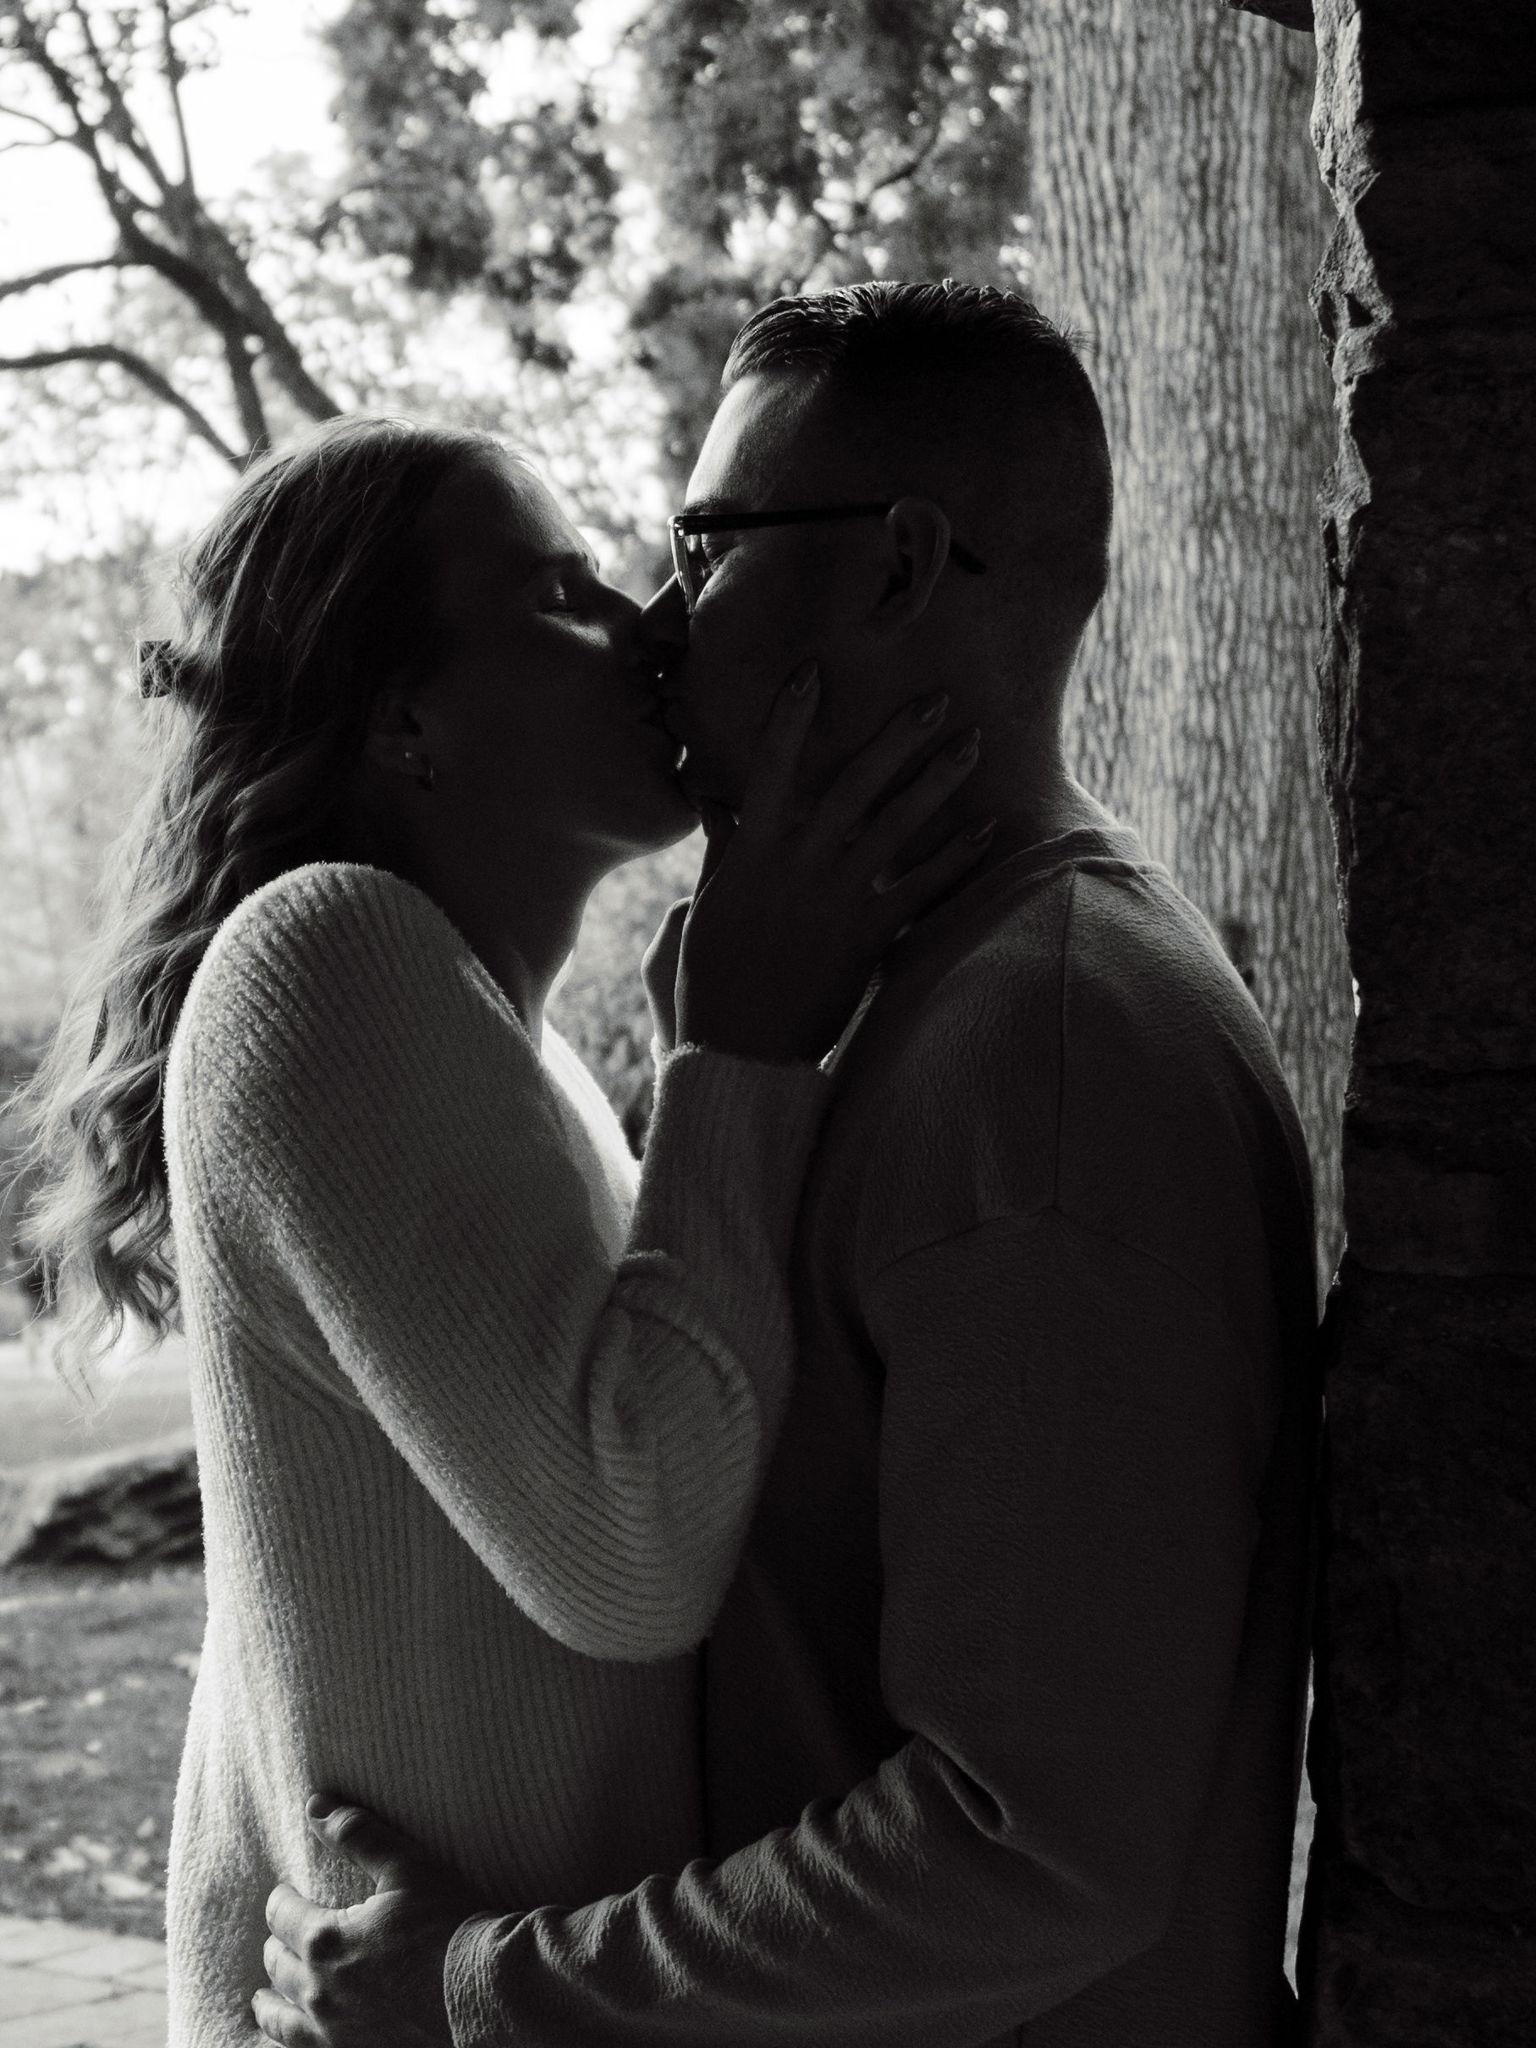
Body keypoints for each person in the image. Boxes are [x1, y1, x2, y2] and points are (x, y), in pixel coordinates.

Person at [256, 282, 1323, 2047]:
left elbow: (1035, 1851)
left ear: (898, 567)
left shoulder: (1041, 1050)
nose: (665, 617)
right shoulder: (930, 999)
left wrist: (478, 1991)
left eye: (709, 543)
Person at [7, 413, 991, 2048]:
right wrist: (740, 1047)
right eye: (557, 593)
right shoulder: (325, 952)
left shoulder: (514, 1053)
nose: (648, 623)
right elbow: (632, 1547)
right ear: (407, 719)